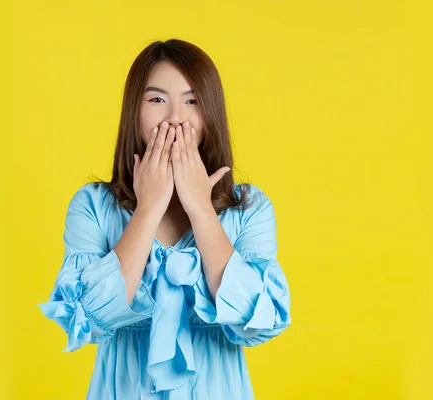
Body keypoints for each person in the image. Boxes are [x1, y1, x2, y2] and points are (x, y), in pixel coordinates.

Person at [37, 39, 291, 399]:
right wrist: (148, 209)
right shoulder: (93, 206)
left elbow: (258, 322)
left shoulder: (248, 208)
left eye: (192, 101)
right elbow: (88, 320)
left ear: (210, 112)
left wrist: (200, 208)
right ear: (134, 112)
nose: (175, 117)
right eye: (156, 100)